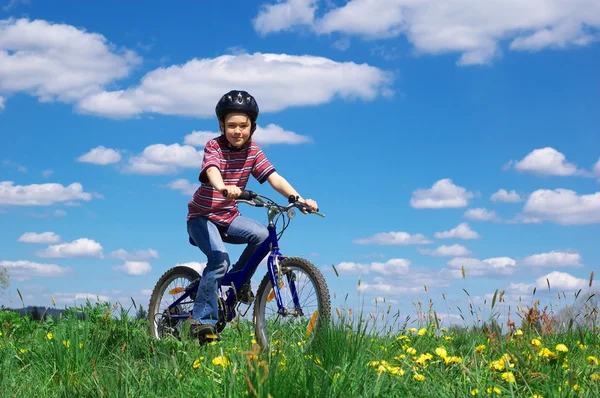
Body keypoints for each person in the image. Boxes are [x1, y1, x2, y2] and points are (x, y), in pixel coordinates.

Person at [186, 89, 319, 342]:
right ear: (222, 126)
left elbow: (274, 178)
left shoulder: (253, 152)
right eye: (231, 125)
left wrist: (299, 199)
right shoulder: (214, 146)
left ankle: (238, 282)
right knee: (218, 259)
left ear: (252, 127)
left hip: (228, 216)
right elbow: (212, 169)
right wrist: (223, 187)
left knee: (261, 235)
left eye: (243, 126)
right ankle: (202, 321)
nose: (238, 131)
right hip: (201, 217)